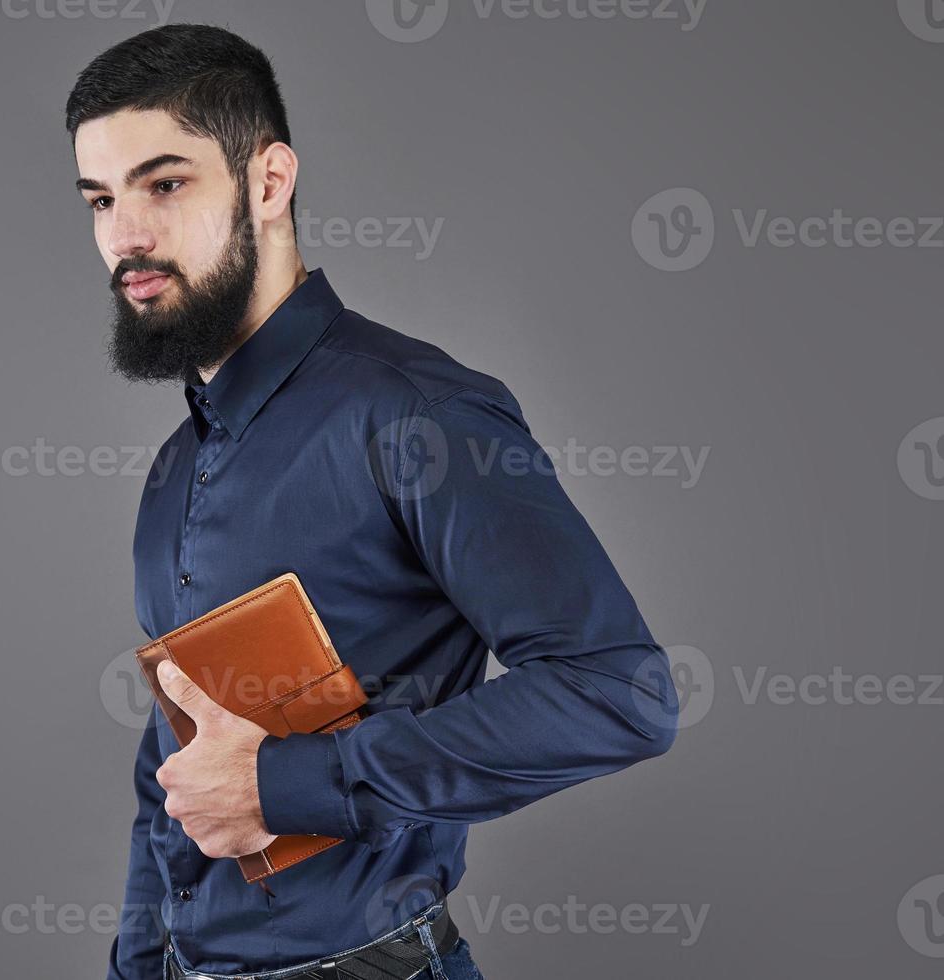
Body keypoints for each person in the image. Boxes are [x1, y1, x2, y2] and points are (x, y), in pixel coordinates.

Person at [65, 24, 679, 980]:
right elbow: (173, 767)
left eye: (165, 183)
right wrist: (137, 964)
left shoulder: (416, 413)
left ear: (268, 183)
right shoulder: (176, 465)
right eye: (99, 199)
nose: (124, 235)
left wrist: (287, 784)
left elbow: (618, 692)